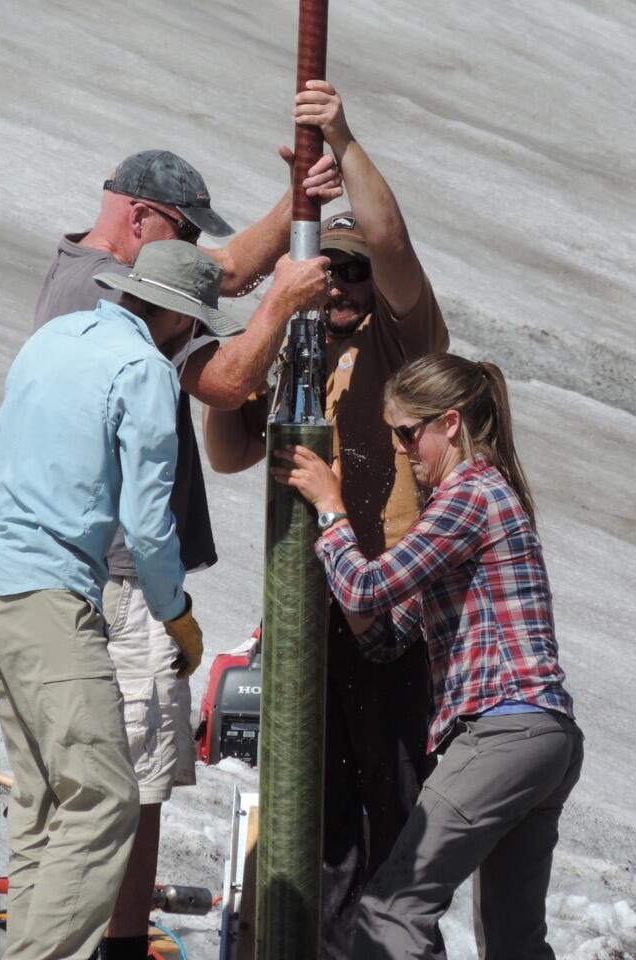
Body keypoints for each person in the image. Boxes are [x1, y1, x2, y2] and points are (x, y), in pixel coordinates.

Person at [34, 148, 334, 960]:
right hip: (126, 581)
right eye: (184, 234)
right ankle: (117, 949)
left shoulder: (94, 271)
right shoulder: (121, 306)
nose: (199, 255)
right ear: (142, 220)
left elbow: (225, 270)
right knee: (138, 780)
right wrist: (280, 306)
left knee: (110, 777)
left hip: (84, 573)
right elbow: (229, 381)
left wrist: (295, 199)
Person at [203, 81, 449, 957]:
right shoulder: (302, 347)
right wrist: (271, 319)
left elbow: (391, 239)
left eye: (350, 272)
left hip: (386, 616)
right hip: (309, 619)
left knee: (397, 816)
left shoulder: (402, 343)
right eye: (327, 268)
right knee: (315, 815)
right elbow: (229, 448)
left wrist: (341, 142)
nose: (341, 283)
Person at [0, 241, 227, 960]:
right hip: (49, 597)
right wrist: (174, 612)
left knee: (47, 801)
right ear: (178, 321)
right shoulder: (144, 370)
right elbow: (146, 521)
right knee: (107, 798)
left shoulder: (52, 341)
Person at [272, 352, 584, 960]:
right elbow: (388, 637)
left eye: (407, 433)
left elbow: (365, 587)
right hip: (544, 737)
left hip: (499, 733)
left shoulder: (469, 492)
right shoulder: (484, 498)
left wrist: (331, 510)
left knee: (392, 910)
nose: (402, 448)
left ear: (450, 422)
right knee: (515, 942)